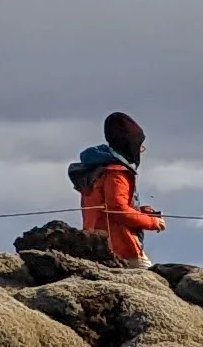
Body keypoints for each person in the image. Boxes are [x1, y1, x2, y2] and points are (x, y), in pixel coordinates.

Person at [69, 112, 166, 264]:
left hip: (96, 245)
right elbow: (117, 211)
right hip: (121, 248)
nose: (140, 150)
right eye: (139, 145)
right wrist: (153, 222)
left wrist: (139, 211)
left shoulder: (96, 169)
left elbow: (108, 207)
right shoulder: (116, 173)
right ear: (129, 145)